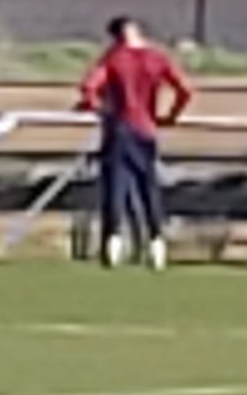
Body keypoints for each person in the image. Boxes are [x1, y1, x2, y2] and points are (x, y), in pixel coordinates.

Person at [77, 16, 192, 269]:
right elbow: (185, 90)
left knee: (115, 188)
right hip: (147, 131)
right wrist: (170, 116)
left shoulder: (114, 58)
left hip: (119, 130)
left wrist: (98, 108)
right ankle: (157, 244)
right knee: (149, 187)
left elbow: (89, 87)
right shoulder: (157, 58)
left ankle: (113, 244)